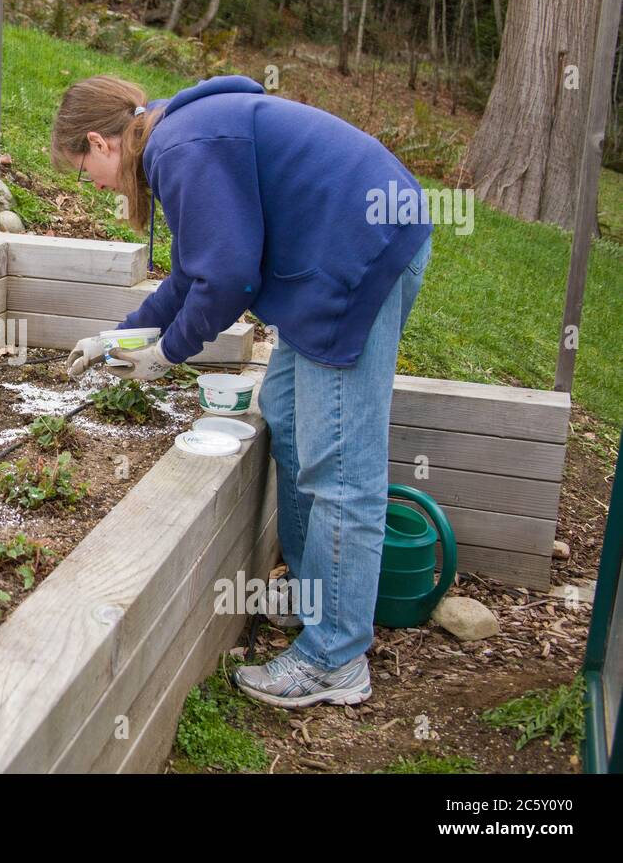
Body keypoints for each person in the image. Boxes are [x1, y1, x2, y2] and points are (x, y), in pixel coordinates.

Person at [52, 74, 433, 709]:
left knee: (338, 465)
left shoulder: (176, 149)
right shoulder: (178, 137)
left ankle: (334, 658)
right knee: (284, 408)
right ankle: (316, 592)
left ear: (101, 142)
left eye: (82, 167)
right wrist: (117, 340)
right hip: (343, 252)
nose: (90, 183)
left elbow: (226, 279)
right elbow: (191, 275)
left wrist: (167, 354)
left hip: (357, 258)